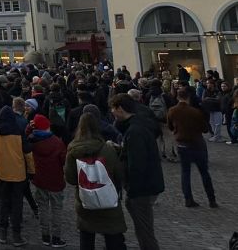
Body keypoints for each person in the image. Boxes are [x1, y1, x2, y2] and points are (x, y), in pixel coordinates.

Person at [64, 113, 127, 250]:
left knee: (86, 236)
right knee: (112, 235)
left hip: (85, 199)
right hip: (107, 199)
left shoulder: (73, 150)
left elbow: (70, 178)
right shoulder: (107, 149)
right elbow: (118, 174)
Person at [109, 93, 164, 250]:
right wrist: (121, 148)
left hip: (142, 188)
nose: (112, 112)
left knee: (144, 230)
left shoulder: (134, 131)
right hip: (147, 184)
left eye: (113, 108)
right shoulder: (139, 125)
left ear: (120, 108)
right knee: (143, 226)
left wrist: (132, 189)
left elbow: (137, 164)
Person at [167, 87, 217, 208]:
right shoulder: (195, 111)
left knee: (185, 172)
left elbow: (170, 126)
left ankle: (188, 199)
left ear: (177, 97)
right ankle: (212, 200)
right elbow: (205, 129)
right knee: (204, 172)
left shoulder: (172, 111)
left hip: (182, 144)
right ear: (188, 97)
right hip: (197, 143)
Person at [0, 105, 34, 247]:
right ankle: (16, 234)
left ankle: (3, 231)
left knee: (4, 201)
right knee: (17, 204)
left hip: (2, 171)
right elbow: (28, 153)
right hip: (18, 172)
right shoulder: (18, 132)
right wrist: (32, 171)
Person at [28, 114, 67, 247]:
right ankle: (56, 238)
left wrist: (29, 127)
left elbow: (25, 137)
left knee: (43, 208)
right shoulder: (57, 142)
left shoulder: (32, 140)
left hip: (40, 180)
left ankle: (45, 236)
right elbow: (63, 160)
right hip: (55, 180)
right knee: (56, 209)